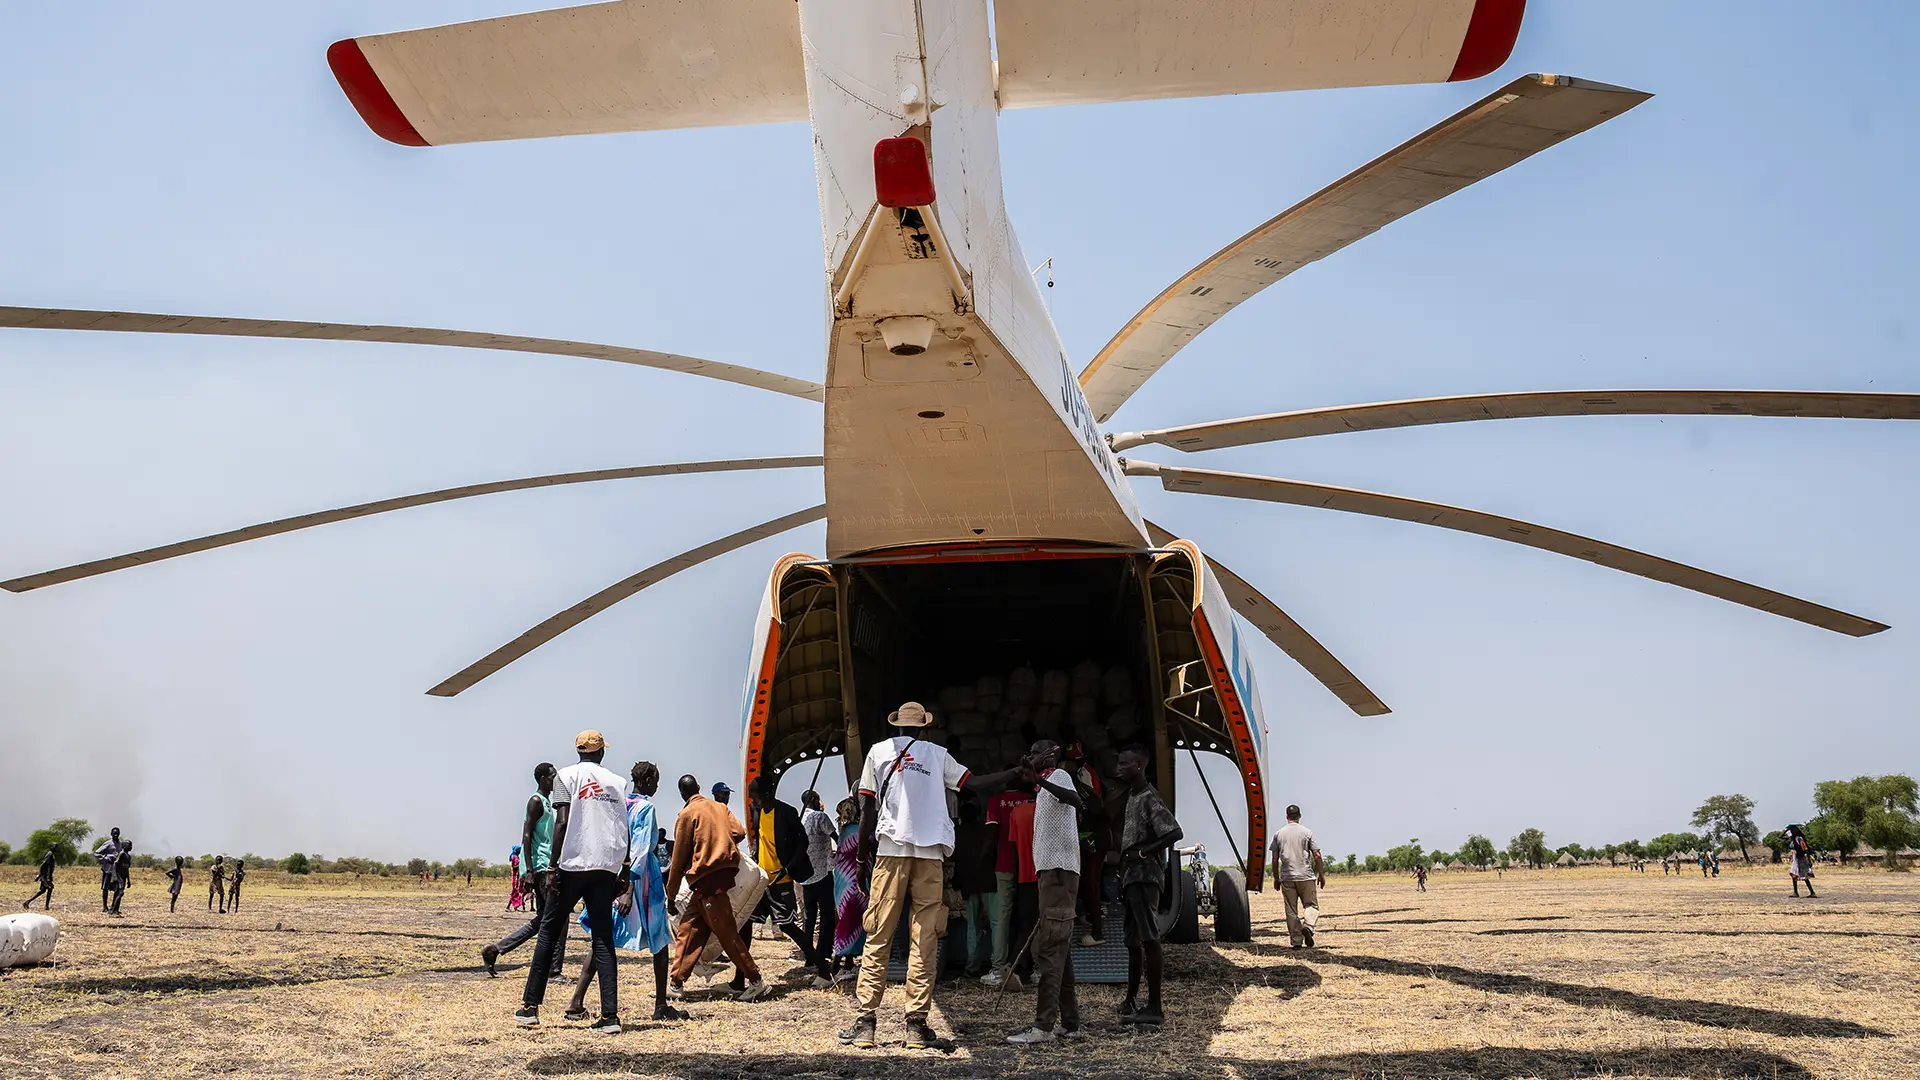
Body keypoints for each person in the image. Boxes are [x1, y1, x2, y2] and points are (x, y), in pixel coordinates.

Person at [838, 700, 1026, 1052]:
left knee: (878, 934)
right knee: (924, 938)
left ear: (896, 725)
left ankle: (865, 1023)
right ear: (924, 727)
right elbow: (976, 783)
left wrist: (862, 859)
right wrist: (1015, 772)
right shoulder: (938, 756)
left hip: (891, 852)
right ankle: (916, 1025)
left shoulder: (878, 752)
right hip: (929, 856)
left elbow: (867, 809)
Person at [516, 731, 632, 1035]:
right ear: (601, 753)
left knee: (548, 931)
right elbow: (624, 825)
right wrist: (625, 869)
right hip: (605, 866)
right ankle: (610, 1016)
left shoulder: (564, 777)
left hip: (572, 865)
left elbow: (563, 822)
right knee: (603, 939)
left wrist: (552, 866)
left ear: (578, 751)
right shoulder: (617, 782)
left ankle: (530, 1008)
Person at [566, 761, 686, 1023]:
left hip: (613, 874)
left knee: (602, 938)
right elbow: (641, 849)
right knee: (660, 938)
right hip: (641, 880)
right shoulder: (645, 808)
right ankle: (661, 1005)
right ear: (648, 781)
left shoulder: (619, 802)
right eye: (656, 781)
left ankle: (576, 1001)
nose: (656, 787)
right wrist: (629, 889)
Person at [1007, 740, 1088, 1046]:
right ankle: (1070, 1023)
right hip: (1053, 872)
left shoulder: (1059, 776)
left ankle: (1043, 1026)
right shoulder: (1044, 786)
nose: (1030, 757)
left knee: (1050, 948)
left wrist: (1041, 781)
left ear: (1051, 754)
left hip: (1058, 871)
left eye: (1034, 752)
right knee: (1059, 947)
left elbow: (1075, 800)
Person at [664, 773, 767, 1001]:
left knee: (726, 933)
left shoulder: (686, 814)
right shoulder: (720, 808)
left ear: (682, 794)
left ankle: (756, 980)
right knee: (688, 929)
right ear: (699, 787)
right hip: (715, 880)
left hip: (706, 879)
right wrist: (721, 843)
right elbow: (739, 832)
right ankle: (676, 983)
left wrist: (670, 896)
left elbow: (678, 860)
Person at [1115, 744, 1181, 1026]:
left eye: (1125, 763)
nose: (1119, 768)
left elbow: (1174, 832)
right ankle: (1130, 1000)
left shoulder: (1149, 798)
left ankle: (1155, 1007)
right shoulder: (1132, 795)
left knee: (1149, 939)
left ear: (1140, 765)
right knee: (1132, 941)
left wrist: (1143, 852)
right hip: (1132, 877)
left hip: (1144, 876)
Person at [745, 776, 828, 983]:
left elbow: (803, 843)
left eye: (755, 798)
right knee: (746, 923)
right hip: (761, 880)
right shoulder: (756, 811)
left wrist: (788, 869)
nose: (753, 802)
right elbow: (758, 837)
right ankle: (740, 980)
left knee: (787, 926)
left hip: (780, 880)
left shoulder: (787, 813)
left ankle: (824, 969)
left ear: (766, 795)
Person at [484, 763, 562, 977]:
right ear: (543, 779)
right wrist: (528, 871)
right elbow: (526, 835)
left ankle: (496, 949)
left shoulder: (548, 803)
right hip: (541, 866)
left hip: (546, 864)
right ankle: (553, 970)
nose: (556, 780)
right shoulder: (535, 801)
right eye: (553, 776)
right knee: (557, 917)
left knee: (545, 918)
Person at [982, 782, 1032, 986]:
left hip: (1003, 864)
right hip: (1029, 865)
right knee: (1031, 916)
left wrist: (983, 861)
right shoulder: (1030, 801)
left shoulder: (995, 801)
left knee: (1001, 916)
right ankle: (1036, 968)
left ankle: (998, 969)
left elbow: (992, 833)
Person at [1063, 745, 1108, 948]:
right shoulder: (1082, 787)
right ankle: (1091, 917)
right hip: (1091, 841)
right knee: (1086, 884)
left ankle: (1097, 933)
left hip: (1092, 842)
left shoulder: (1081, 791)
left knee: (1090, 885)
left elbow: (1096, 813)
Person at [951, 798, 998, 979]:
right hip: (988, 882)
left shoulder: (957, 833)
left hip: (968, 885)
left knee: (972, 926)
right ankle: (996, 964)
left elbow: (954, 858)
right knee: (995, 924)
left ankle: (972, 966)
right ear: (978, 815)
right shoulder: (986, 831)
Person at [798, 790, 839, 984]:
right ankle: (823, 952)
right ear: (814, 800)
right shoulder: (819, 817)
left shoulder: (800, 819)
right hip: (822, 872)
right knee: (827, 915)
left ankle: (808, 954)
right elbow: (836, 837)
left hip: (806, 876)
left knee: (809, 917)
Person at [1269, 805, 1324, 949]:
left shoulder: (1278, 834)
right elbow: (1317, 855)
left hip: (1287, 878)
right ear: (1299, 816)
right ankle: (1308, 926)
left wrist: (1276, 878)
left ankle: (1297, 942)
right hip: (1305, 876)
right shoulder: (1307, 832)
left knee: (1291, 910)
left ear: (1286, 816)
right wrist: (1321, 874)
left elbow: (1274, 859)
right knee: (1311, 905)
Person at [830, 796, 867, 983]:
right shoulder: (860, 831)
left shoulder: (844, 830)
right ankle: (838, 962)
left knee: (845, 918)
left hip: (842, 881)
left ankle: (846, 963)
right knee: (853, 921)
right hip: (855, 883)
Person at [96, 827, 125, 914]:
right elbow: (97, 853)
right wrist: (106, 858)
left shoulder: (121, 844)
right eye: (114, 833)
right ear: (111, 834)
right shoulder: (108, 843)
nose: (116, 835)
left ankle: (114, 907)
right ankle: (105, 907)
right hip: (108, 868)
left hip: (117, 869)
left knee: (117, 888)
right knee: (105, 887)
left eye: (117, 833)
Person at [1786, 824, 1818, 898]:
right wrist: (1787, 830)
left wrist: (1809, 860)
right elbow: (1781, 836)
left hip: (1801, 858)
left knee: (1804, 875)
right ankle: (1796, 892)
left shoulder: (1799, 839)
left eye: (1791, 830)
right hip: (1795, 859)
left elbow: (1806, 849)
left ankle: (1812, 892)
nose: (1790, 832)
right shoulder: (1792, 839)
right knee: (1794, 875)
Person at [110, 841, 133, 915]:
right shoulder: (121, 854)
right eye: (129, 845)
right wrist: (115, 876)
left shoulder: (129, 856)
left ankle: (115, 909)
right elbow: (115, 864)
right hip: (119, 876)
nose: (131, 847)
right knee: (120, 893)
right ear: (124, 846)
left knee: (117, 893)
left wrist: (128, 880)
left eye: (131, 845)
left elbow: (127, 869)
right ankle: (114, 911)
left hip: (124, 877)